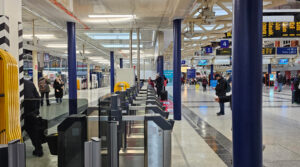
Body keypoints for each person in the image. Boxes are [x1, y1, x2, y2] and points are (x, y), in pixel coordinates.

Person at [23, 79, 44, 157]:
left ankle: (13, 151)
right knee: (33, 131)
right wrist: (36, 111)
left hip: (15, 113)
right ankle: (39, 149)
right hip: (30, 112)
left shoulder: (8, 84)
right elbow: (38, 97)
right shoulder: (30, 83)